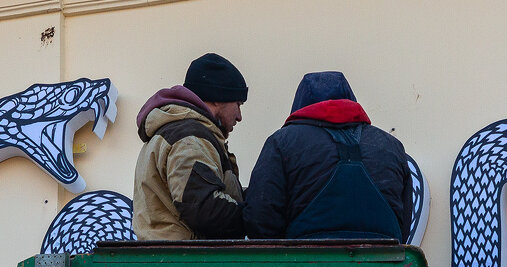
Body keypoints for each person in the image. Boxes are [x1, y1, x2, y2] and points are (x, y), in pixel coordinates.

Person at [243, 71, 412, 242]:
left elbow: (260, 218)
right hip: (384, 263)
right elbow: (404, 224)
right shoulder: (391, 146)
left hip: (305, 263)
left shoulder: (282, 142)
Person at [132, 53, 249, 240]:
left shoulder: (176, 133)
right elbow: (202, 207)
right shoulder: (189, 138)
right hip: (184, 261)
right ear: (217, 98)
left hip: (167, 258)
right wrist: (254, 214)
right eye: (238, 104)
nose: (239, 116)